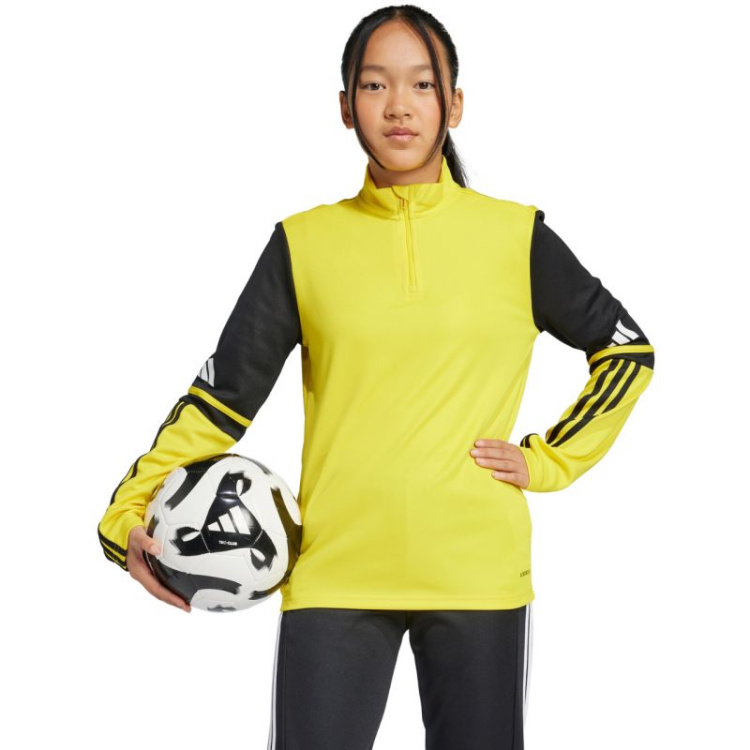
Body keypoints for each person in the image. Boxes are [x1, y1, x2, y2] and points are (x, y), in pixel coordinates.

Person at [97, 5, 655, 749]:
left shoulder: (514, 236)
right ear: (345, 106)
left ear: (455, 103)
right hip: (334, 574)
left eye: (422, 85)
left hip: (476, 575)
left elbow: (626, 350)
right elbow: (221, 399)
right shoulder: (303, 244)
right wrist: (125, 518)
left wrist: (546, 460)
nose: (398, 106)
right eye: (374, 85)